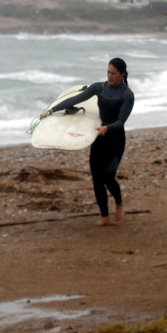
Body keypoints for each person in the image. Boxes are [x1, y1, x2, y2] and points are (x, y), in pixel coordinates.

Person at [41, 57, 134, 226]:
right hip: (98, 138)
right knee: (97, 177)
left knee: (108, 175)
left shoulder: (127, 95)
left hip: (115, 139)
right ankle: (104, 216)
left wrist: (107, 128)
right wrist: (52, 109)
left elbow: (121, 121)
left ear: (122, 74)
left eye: (113, 73)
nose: (110, 75)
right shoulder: (99, 87)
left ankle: (119, 203)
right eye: (108, 72)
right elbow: (76, 99)